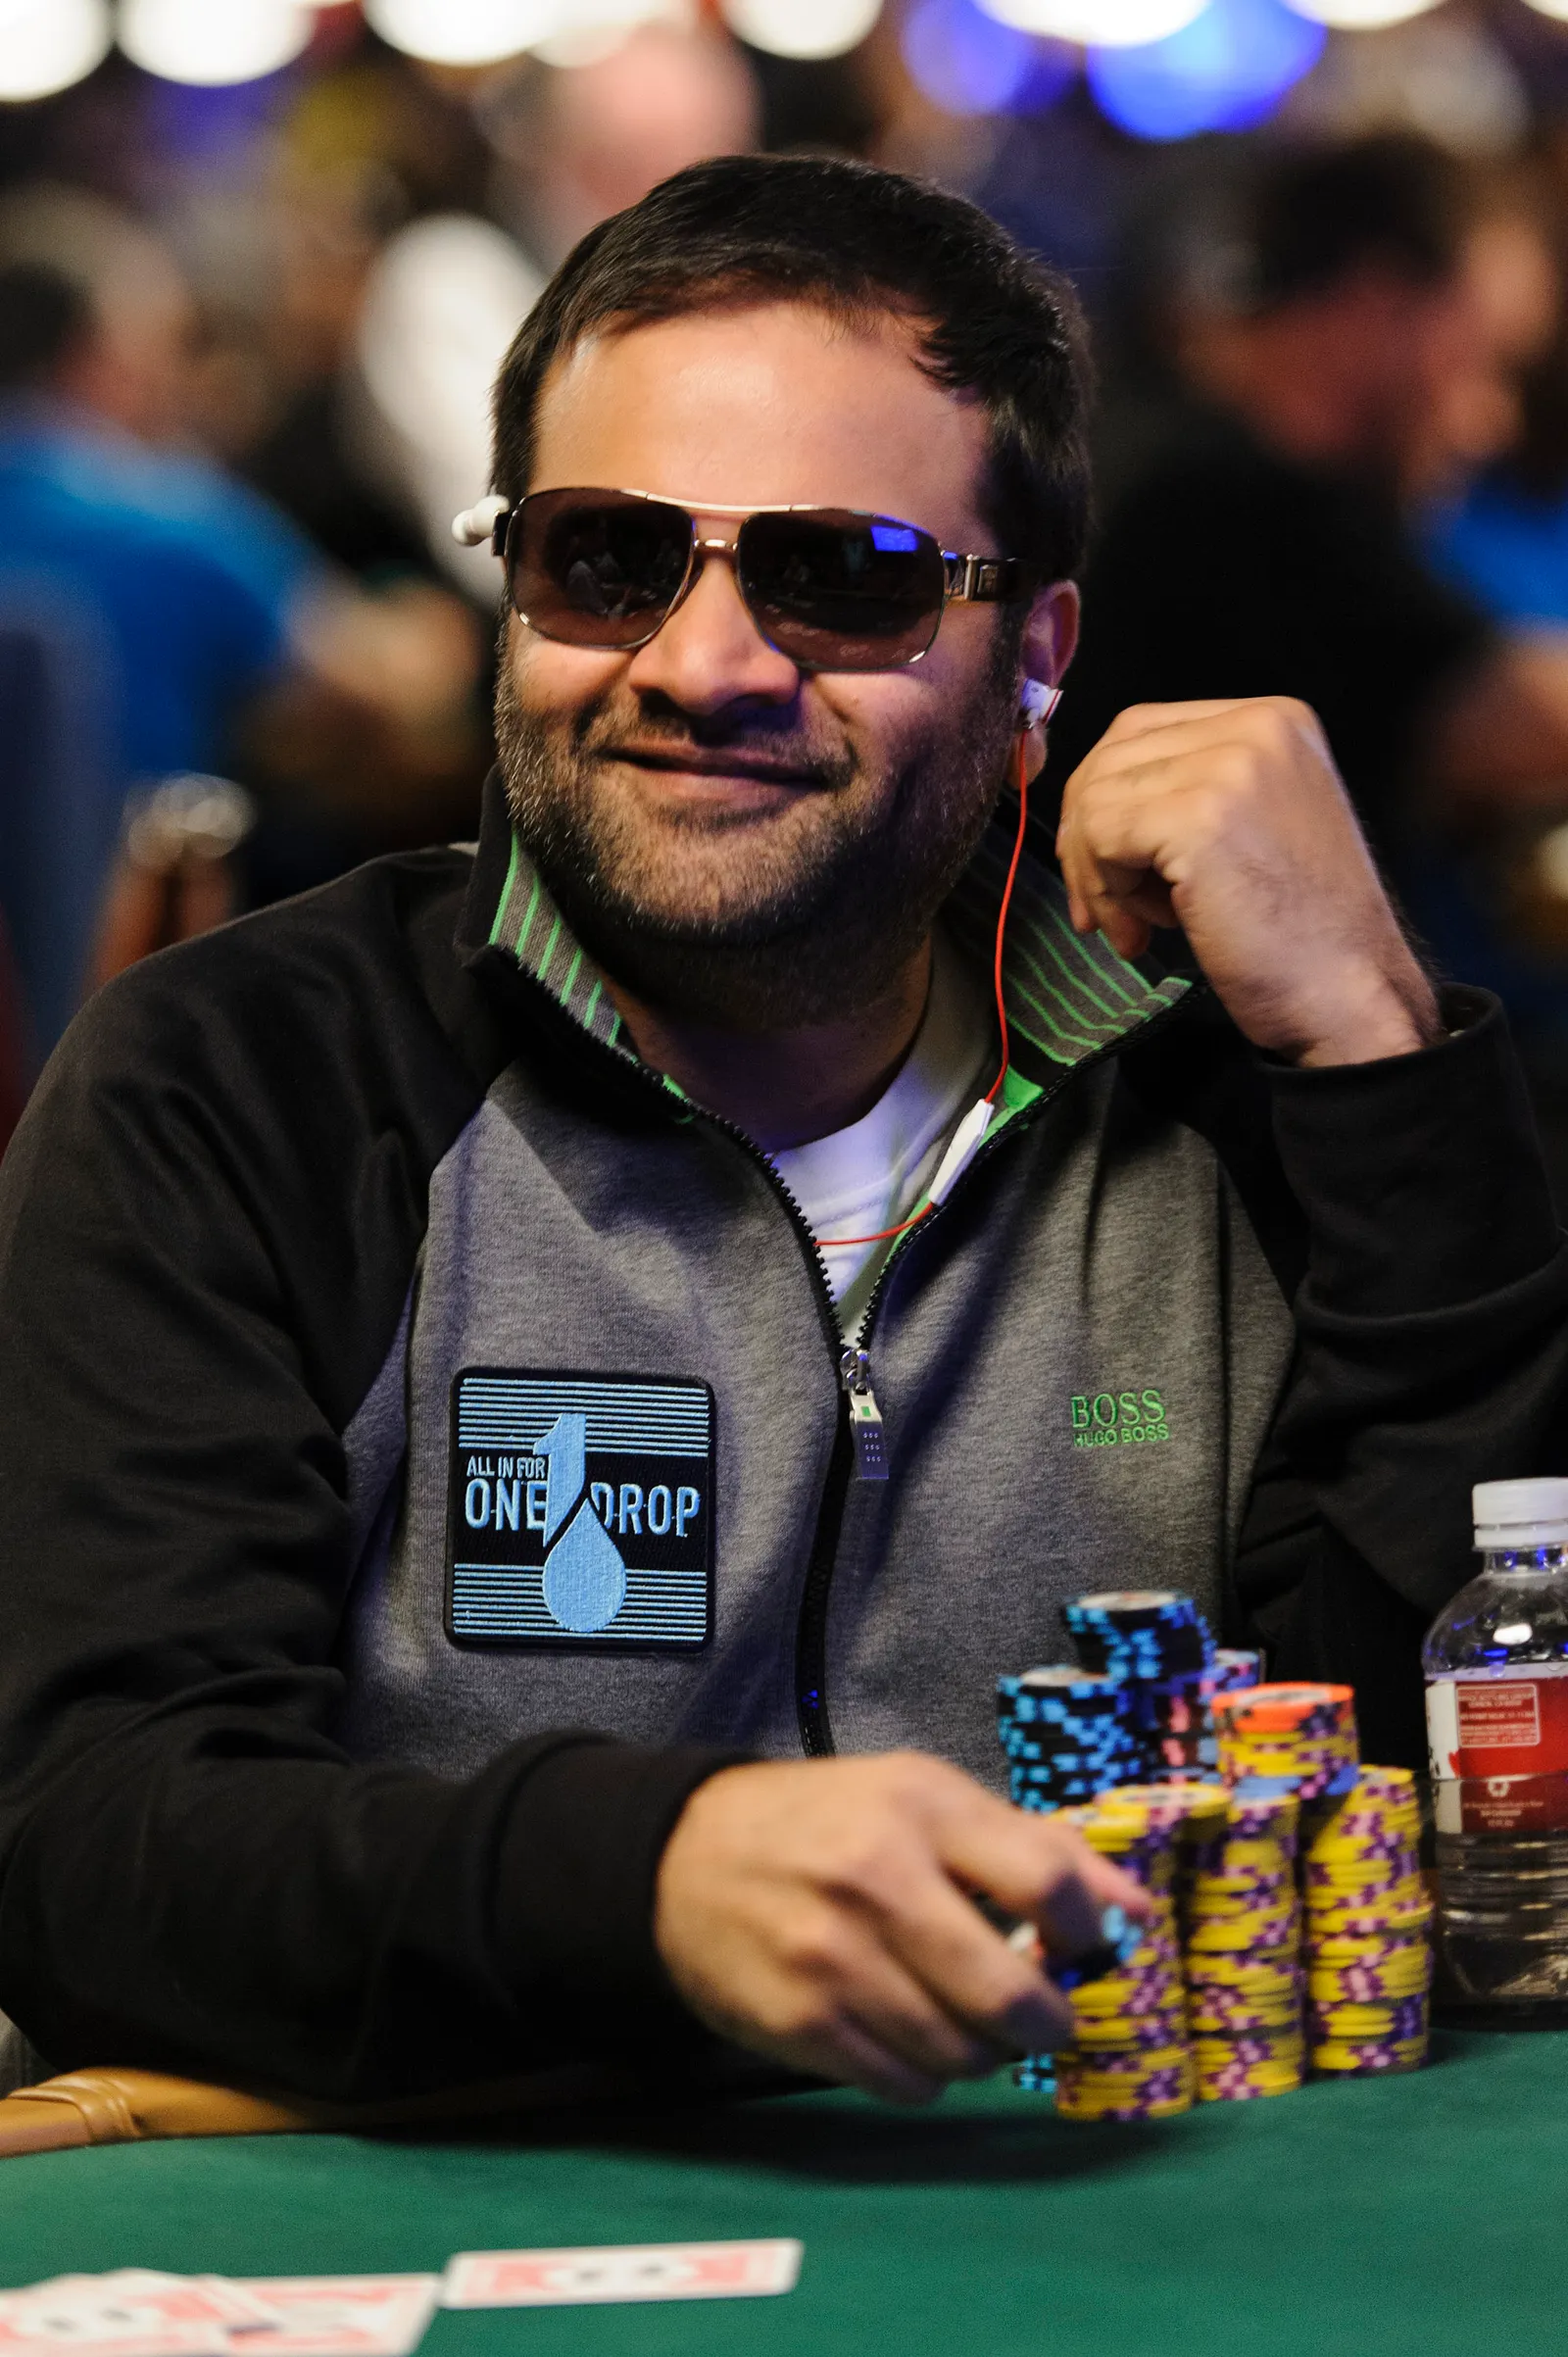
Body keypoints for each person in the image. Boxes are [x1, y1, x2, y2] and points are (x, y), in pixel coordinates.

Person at [0, 155, 1563, 2116]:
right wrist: (650, 1883)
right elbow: (95, 1841)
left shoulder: (1224, 1100)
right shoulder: (243, 1079)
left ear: (1039, 651)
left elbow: (1442, 1808)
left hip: (1104, 2227)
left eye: (839, 574)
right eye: (606, 556)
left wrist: (1379, 1051)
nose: (700, 660)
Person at [1048, 135, 1568, 861]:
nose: (1493, 422)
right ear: (1375, 308)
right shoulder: (1232, 503)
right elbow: (1519, 718)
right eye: (1482, 363)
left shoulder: (1163, 437)